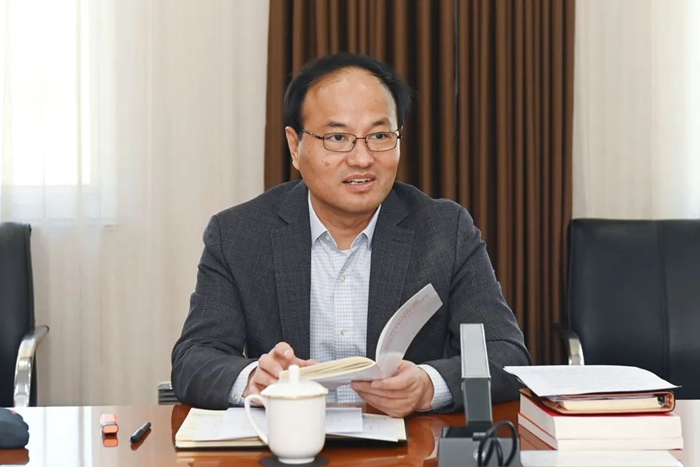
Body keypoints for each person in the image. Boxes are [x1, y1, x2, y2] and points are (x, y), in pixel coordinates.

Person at [171, 53, 530, 417]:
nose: (362, 159)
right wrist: (254, 379)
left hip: (408, 443)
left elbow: (507, 354)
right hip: (286, 437)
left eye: (379, 136)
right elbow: (194, 358)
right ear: (295, 146)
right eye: (338, 137)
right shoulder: (239, 235)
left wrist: (428, 385)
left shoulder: (444, 231)